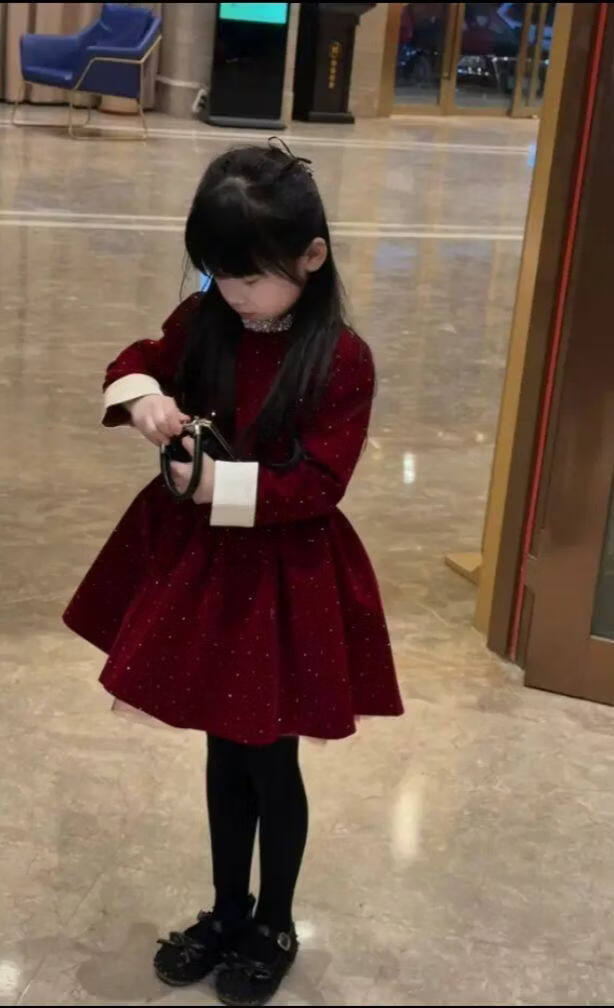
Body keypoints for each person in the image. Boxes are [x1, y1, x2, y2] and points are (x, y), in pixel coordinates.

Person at [63, 143, 403, 1006]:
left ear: (311, 257)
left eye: (250, 277)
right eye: (218, 274)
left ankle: (274, 921)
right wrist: (144, 398)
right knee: (224, 747)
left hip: (283, 579)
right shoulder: (208, 315)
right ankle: (226, 909)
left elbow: (319, 483)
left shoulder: (342, 358)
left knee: (269, 757)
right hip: (209, 568)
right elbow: (135, 361)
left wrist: (213, 483)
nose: (234, 294)